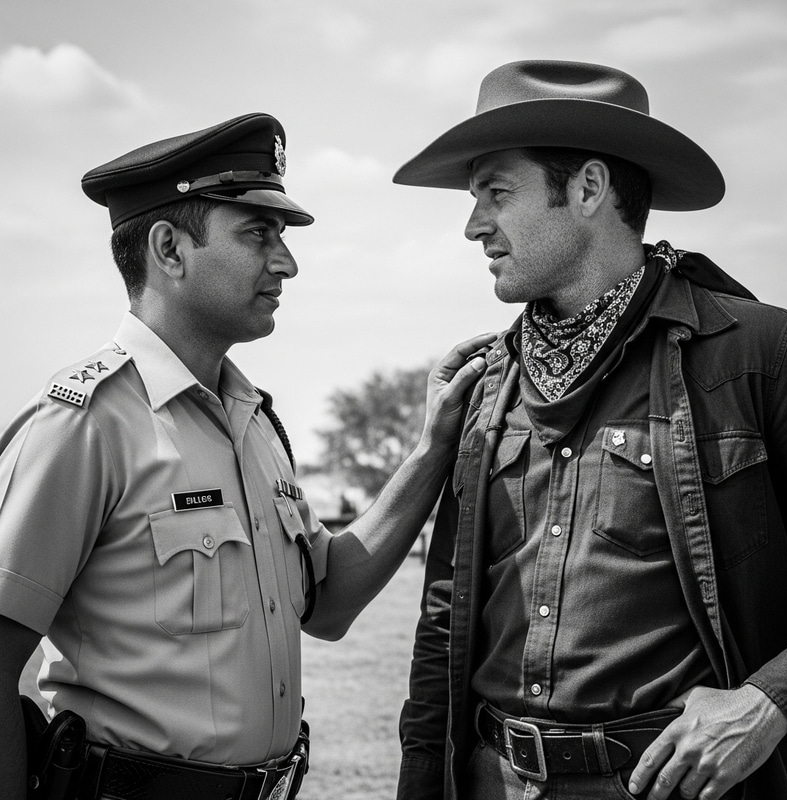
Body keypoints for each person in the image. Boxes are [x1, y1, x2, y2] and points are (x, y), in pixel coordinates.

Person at [0, 112, 493, 800]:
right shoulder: (83, 426)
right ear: (170, 250)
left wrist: (433, 446)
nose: (286, 261)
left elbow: (329, 603)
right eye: (259, 234)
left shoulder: (253, 423)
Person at [392, 60, 787, 800]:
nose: (472, 224)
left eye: (496, 193)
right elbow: (445, 617)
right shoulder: (485, 386)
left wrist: (771, 699)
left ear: (587, 189)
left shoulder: (762, 355)